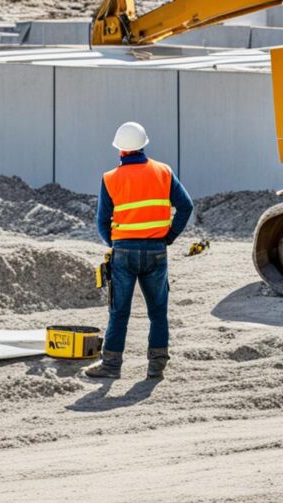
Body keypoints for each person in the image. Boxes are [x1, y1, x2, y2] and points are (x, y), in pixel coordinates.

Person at [86, 122, 193, 380]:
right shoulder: (163, 172)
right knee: (158, 313)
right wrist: (169, 236)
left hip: (124, 252)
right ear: (144, 144)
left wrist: (115, 245)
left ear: (120, 150)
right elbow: (186, 206)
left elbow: (102, 222)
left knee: (119, 312)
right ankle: (156, 368)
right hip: (156, 251)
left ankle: (111, 366)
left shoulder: (111, 178)